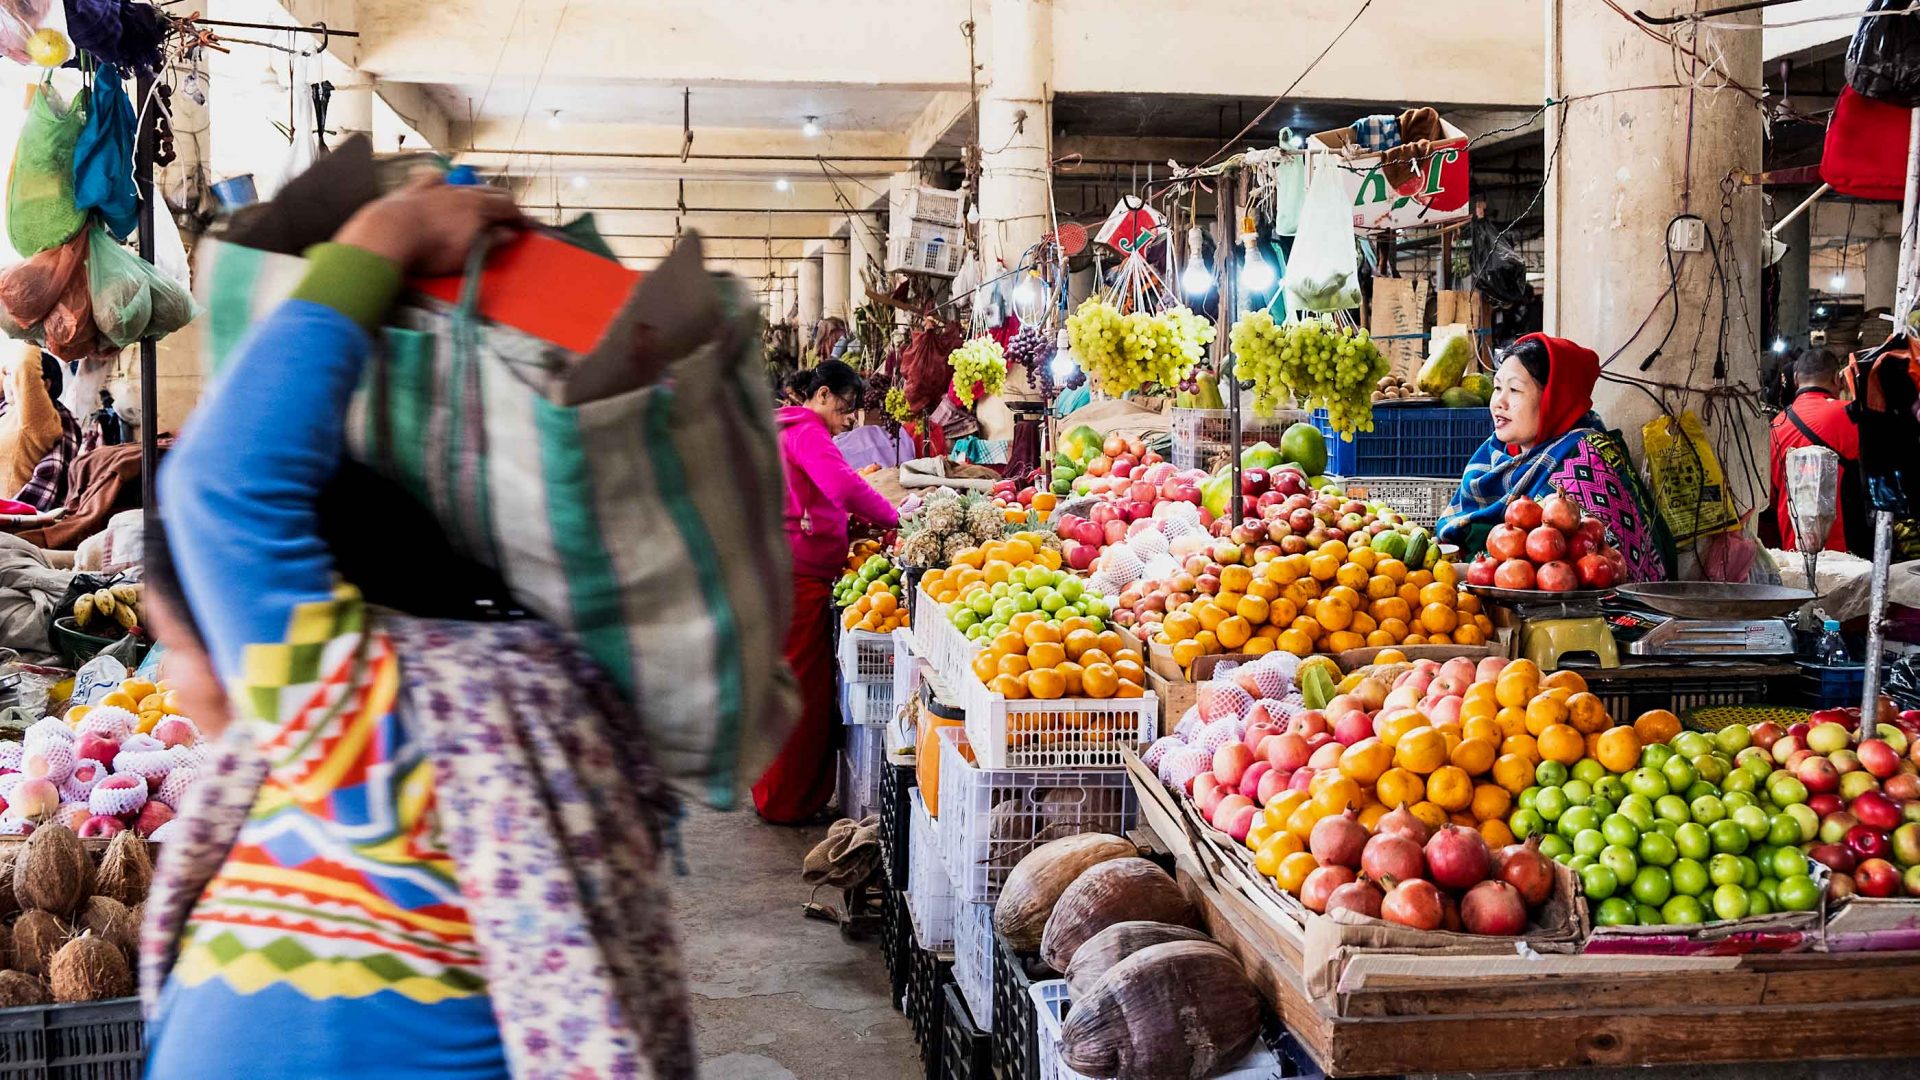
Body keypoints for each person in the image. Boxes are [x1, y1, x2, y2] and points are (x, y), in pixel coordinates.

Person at [144, 175, 694, 1079]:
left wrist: (387, 232)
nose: (175, 679)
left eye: (174, 640)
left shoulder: (376, 728)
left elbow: (220, 487)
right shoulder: (508, 699)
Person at [755, 360, 899, 823]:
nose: (850, 418)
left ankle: (779, 793)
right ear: (821, 396)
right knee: (805, 696)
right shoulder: (807, 431)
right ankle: (787, 802)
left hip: (789, 571)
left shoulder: (792, 429)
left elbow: (811, 493)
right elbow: (841, 484)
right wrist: (895, 518)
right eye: (845, 406)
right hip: (797, 579)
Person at [1436, 333, 1673, 582]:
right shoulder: (1494, 452)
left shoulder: (1584, 461)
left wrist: (1448, 573)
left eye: (1514, 390)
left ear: (1554, 398)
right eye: (1497, 388)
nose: (1499, 402)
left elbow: (1562, 569)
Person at [1768, 347, 1865, 554]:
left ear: (1795, 379)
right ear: (1837, 378)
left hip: (1794, 546)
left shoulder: (1776, 425)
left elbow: (1770, 495)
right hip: (1842, 550)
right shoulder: (1848, 415)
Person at [0, 350, 78, 510]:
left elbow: (25, 362)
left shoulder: (38, 417)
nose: (7, 382)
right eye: (7, 375)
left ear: (44, 385)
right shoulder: (7, 408)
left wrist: (30, 334)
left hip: (12, 522)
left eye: (14, 376)